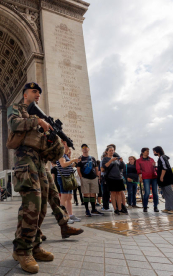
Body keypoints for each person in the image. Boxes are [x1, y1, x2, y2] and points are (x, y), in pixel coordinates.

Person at [8, 82, 77, 274]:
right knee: (32, 206)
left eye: (39, 92)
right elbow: (14, 123)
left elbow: (51, 155)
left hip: (40, 163)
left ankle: (35, 246)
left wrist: (57, 142)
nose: (38, 94)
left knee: (43, 207)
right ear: (25, 94)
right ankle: (22, 250)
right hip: (25, 161)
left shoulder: (42, 117)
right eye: (34, 91)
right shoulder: (17, 109)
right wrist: (37, 122)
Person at [56, 140, 81, 223]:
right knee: (64, 197)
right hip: (64, 178)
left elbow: (68, 165)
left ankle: (70, 215)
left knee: (69, 197)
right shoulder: (60, 155)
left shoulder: (65, 155)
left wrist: (74, 163)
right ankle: (63, 217)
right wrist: (72, 160)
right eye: (65, 145)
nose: (67, 147)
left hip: (68, 178)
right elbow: (63, 165)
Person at [76, 144, 103, 217]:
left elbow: (96, 167)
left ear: (88, 149)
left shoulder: (93, 158)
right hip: (85, 178)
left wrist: (97, 176)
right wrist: (81, 177)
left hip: (93, 178)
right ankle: (87, 210)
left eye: (86, 147)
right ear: (82, 150)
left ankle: (93, 209)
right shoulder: (80, 158)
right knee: (86, 194)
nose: (84, 149)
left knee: (93, 194)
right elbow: (78, 169)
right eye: (83, 148)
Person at [153, 146, 173, 214]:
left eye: (154, 151)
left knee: (169, 193)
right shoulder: (161, 158)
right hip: (163, 178)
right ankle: (168, 207)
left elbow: (165, 167)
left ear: (157, 151)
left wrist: (162, 176)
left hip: (165, 178)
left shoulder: (162, 157)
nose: (153, 152)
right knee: (165, 194)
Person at [102, 146, 127, 215]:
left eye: (112, 150)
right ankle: (115, 208)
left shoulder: (117, 159)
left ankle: (119, 208)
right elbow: (105, 166)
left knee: (119, 193)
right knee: (113, 193)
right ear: (107, 151)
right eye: (110, 150)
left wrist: (122, 161)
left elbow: (122, 167)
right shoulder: (105, 159)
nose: (111, 152)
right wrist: (111, 160)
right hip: (111, 178)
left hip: (119, 178)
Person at [136, 148, 159, 212]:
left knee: (155, 193)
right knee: (147, 193)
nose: (148, 152)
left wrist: (155, 167)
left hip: (154, 176)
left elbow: (155, 168)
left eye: (148, 151)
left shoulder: (151, 159)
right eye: (146, 151)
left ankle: (155, 206)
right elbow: (138, 169)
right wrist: (140, 177)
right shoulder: (138, 161)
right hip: (146, 177)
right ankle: (145, 206)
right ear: (143, 152)